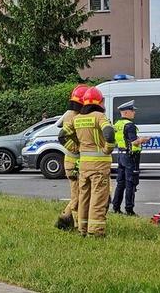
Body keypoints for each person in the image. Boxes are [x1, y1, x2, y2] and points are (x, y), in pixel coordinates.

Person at [58, 87, 116, 237]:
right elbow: (109, 133)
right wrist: (108, 148)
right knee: (98, 198)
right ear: (99, 102)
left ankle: (82, 229)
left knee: (83, 197)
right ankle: (95, 231)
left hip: (83, 165)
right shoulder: (99, 116)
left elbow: (62, 135)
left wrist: (75, 148)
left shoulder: (77, 118)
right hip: (99, 165)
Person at [55, 84, 88, 230]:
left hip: (70, 161)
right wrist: (77, 148)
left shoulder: (69, 114)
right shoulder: (76, 117)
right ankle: (69, 222)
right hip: (75, 161)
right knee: (78, 196)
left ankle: (66, 221)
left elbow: (60, 128)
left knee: (77, 194)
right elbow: (64, 136)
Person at [112, 100, 149, 216]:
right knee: (130, 183)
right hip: (130, 157)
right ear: (126, 112)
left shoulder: (117, 124)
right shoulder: (130, 125)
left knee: (120, 183)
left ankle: (116, 207)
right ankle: (129, 209)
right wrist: (143, 140)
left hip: (121, 155)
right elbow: (134, 142)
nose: (134, 113)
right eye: (133, 111)